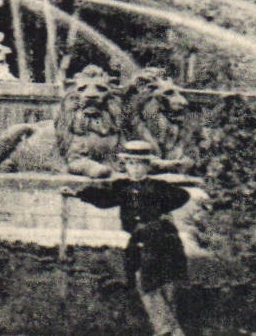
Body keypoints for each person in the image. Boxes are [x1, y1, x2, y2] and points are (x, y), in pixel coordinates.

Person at [62, 140, 193, 336]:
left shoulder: (158, 187)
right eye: (130, 163)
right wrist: (77, 193)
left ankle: (168, 330)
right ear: (125, 165)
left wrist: (159, 211)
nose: (135, 168)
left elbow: (181, 195)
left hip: (164, 241)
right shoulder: (121, 187)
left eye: (140, 163)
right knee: (145, 282)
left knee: (167, 286)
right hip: (140, 242)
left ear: (148, 166)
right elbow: (104, 199)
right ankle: (169, 331)